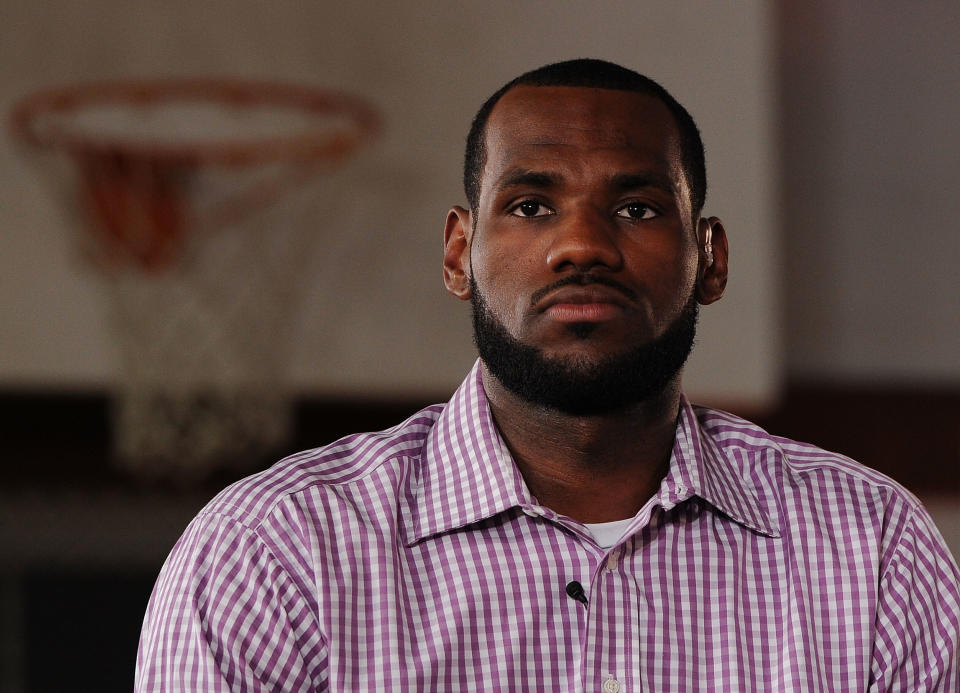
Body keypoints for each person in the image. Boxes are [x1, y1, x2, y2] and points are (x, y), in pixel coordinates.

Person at [136, 59, 960, 691]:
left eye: (637, 207)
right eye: (531, 205)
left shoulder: (871, 547)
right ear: (459, 253)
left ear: (710, 260)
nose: (584, 245)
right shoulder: (273, 553)